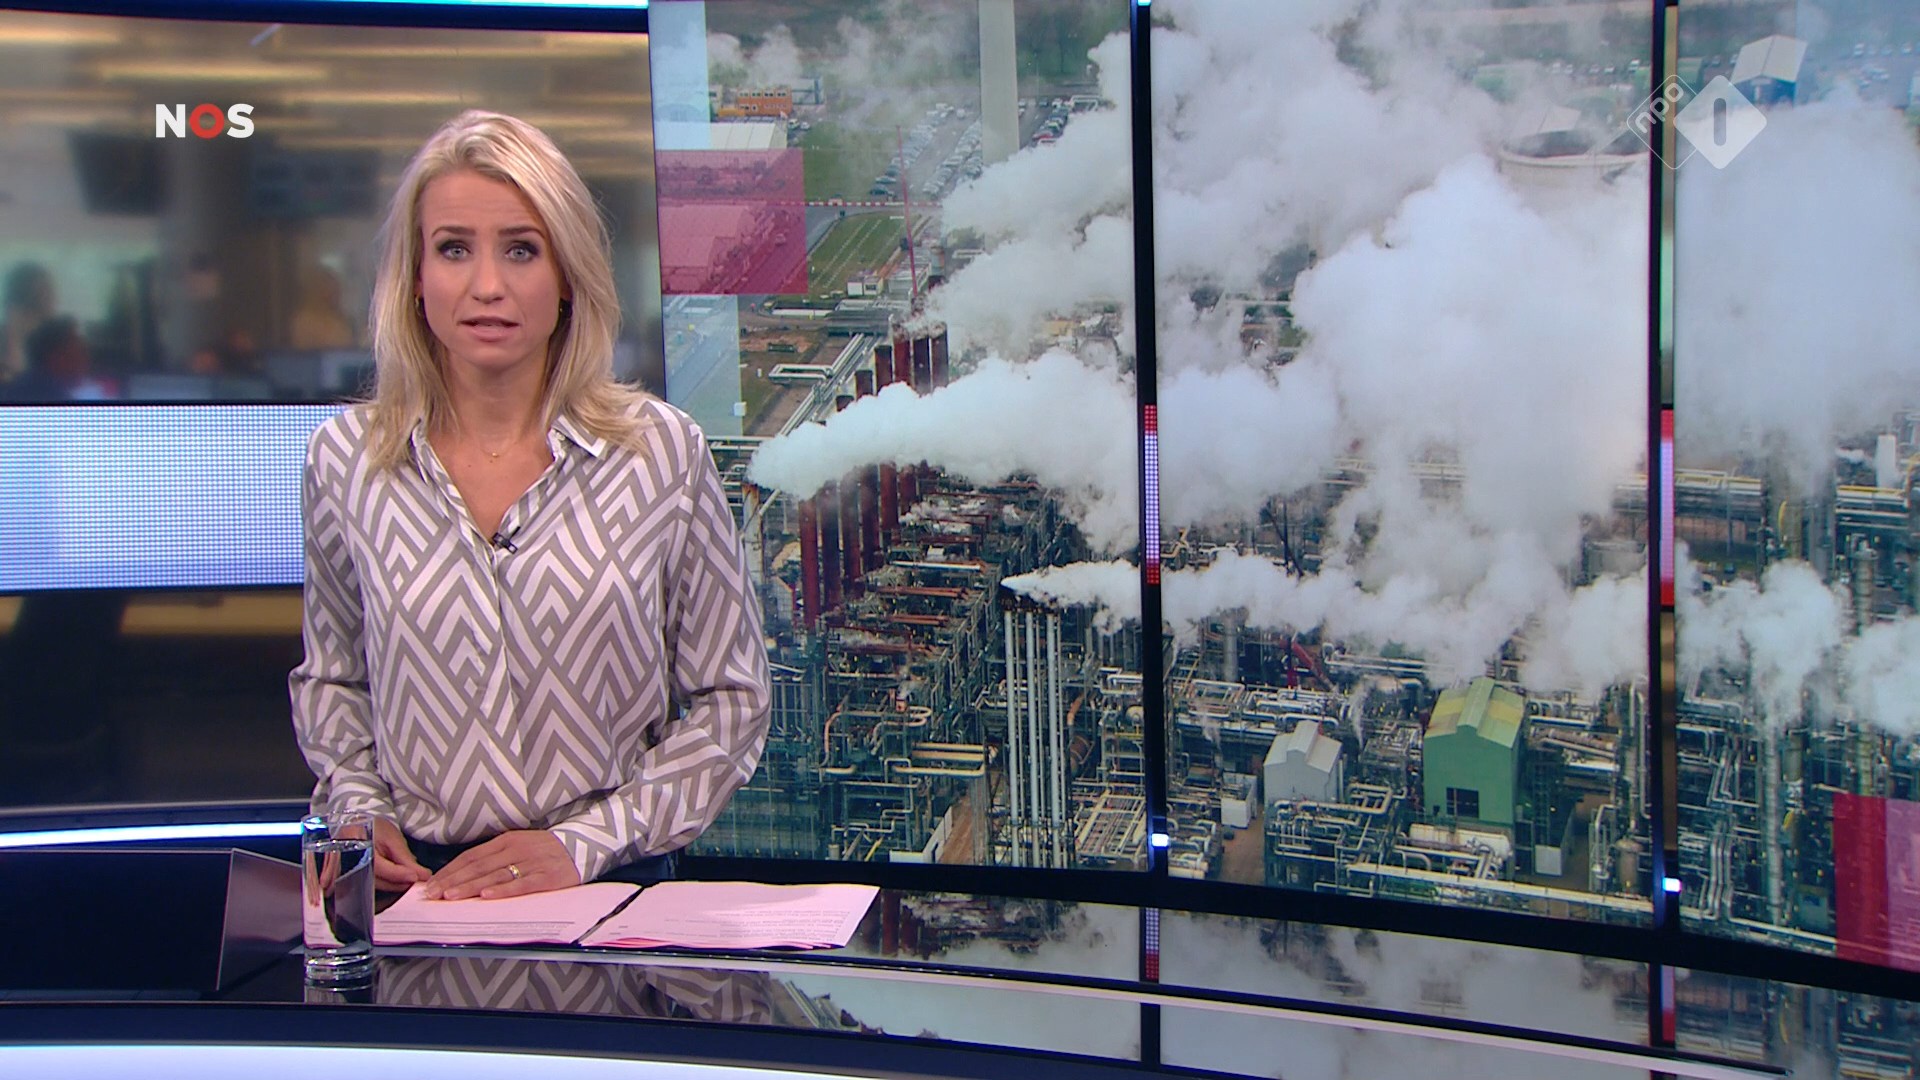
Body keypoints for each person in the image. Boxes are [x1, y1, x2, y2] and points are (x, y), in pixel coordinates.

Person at [289, 110, 771, 902]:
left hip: (608, 884)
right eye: (454, 249)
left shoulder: (659, 452)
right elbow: (334, 681)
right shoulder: (347, 460)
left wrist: (585, 844)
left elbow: (733, 701)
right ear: (416, 275)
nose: (487, 285)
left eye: (521, 249)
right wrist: (357, 809)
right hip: (420, 893)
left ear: (568, 273)